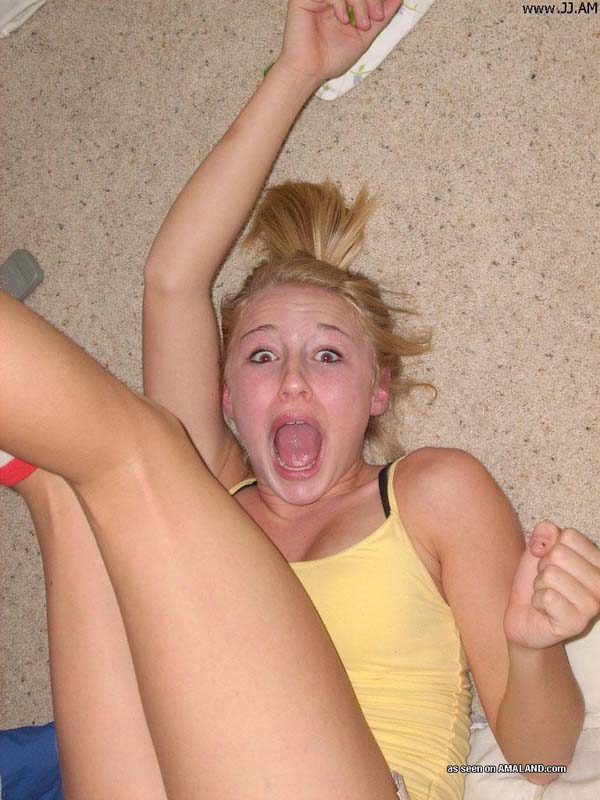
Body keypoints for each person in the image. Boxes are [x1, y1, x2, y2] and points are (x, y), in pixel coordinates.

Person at [1, 2, 599, 799]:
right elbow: (172, 280)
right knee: (76, 495)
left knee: (134, 455)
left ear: (377, 390)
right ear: (225, 395)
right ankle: (28, 465)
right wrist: (296, 70)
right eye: (259, 355)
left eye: (327, 354)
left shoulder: (433, 493)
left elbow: (542, 759)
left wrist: (532, 648)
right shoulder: (212, 492)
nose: (290, 378)